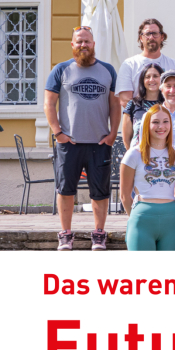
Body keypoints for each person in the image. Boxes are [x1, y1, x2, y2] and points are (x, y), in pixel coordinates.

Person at [45, 26, 120, 251]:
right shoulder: (61, 70)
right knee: (65, 190)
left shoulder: (108, 70)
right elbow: (49, 104)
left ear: (93, 44)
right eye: (79, 42)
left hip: (100, 143)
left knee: (100, 191)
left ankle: (99, 234)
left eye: (87, 41)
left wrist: (113, 134)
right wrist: (58, 133)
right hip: (70, 143)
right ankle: (65, 235)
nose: (83, 45)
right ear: (72, 45)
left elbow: (115, 105)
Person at [119, 105, 175, 251]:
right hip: (142, 219)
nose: (161, 126)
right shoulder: (133, 154)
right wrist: (137, 216)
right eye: (155, 122)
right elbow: (125, 195)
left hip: (171, 220)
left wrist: (169, 209)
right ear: (146, 124)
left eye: (165, 121)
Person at [116, 19, 175, 108]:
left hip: (169, 116)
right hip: (138, 116)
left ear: (162, 37)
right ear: (141, 38)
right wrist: (148, 115)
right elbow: (125, 100)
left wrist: (163, 115)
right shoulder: (129, 65)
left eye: (155, 33)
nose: (151, 37)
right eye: (147, 34)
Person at [121, 63, 163, 149]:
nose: (151, 80)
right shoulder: (133, 104)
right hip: (138, 154)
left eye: (155, 76)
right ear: (142, 80)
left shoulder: (167, 104)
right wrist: (133, 155)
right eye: (147, 77)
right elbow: (126, 139)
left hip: (162, 154)